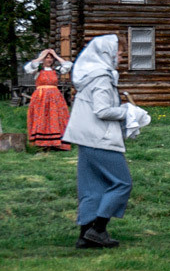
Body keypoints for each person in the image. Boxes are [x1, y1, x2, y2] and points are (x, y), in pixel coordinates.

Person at [62, 34, 137, 249]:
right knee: (122, 183)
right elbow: (102, 110)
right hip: (100, 138)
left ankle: (85, 236)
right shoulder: (102, 78)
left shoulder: (89, 76)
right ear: (108, 53)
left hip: (85, 138)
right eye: (120, 53)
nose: (121, 58)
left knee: (91, 188)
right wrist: (128, 112)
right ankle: (99, 228)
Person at [26, 49, 72, 151]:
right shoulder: (37, 70)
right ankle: (41, 143)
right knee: (41, 117)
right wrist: (42, 56)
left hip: (55, 97)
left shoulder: (56, 70)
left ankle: (56, 143)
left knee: (56, 117)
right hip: (41, 97)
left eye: (51, 57)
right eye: (47, 57)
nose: (49, 59)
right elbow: (29, 67)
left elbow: (68, 66)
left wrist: (56, 55)